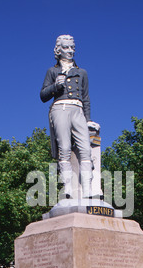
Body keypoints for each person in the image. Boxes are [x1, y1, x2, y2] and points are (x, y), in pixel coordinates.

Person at [40, 34, 99, 198]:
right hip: (60, 108)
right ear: (58, 50)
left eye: (72, 47)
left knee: (86, 150)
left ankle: (88, 191)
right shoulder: (52, 71)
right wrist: (55, 86)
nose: (70, 51)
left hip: (78, 110)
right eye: (66, 47)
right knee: (64, 148)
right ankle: (67, 190)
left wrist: (88, 120)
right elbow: (43, 95)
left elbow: (86, 98)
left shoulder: (82, 72)